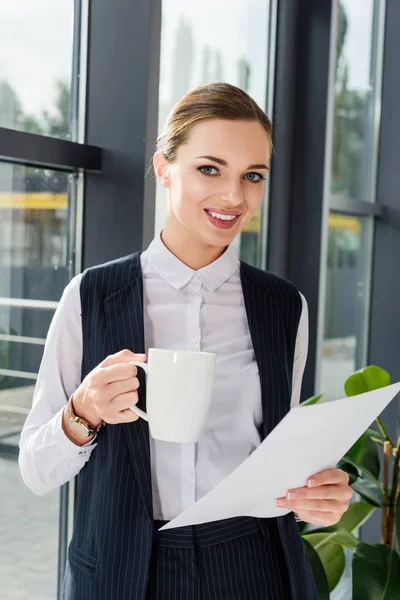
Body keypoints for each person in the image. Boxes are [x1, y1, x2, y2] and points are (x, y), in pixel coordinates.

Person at [19, 82, 352, 600]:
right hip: (122, 565)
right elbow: (35, 470)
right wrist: (82, 411)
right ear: (163, 168)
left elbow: (281, 457)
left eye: (253, 176)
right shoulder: (92, 296)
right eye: (209, 169)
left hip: (254, 561)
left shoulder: (286, 306)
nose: (234, 197)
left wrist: (317, 494)